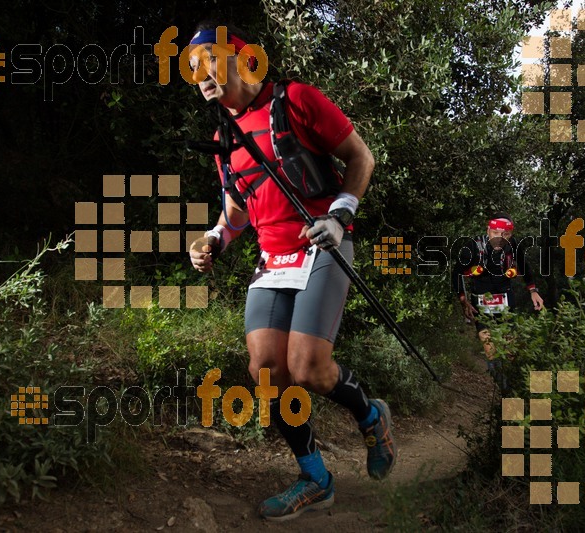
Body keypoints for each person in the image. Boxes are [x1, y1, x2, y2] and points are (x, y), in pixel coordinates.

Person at [187, 22, 396, 521]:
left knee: (308, 369)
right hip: (272, 259)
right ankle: (315, 478)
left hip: (322, 244)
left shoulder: (298, 99)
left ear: (243, 59)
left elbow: (360, 157)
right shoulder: (224, 135)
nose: (201, 74)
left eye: (210, 60)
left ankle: (371, 416)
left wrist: (341, 213)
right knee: (267, 372)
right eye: (193, 67)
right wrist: (213, 239)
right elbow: (235, 210)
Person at [452, 212, 545, 390]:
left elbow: (524, 266)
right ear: (488, 230)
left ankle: (515, 388)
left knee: (509, 350)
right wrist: (463, 301)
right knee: (491, 350)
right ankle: (504, 391)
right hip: (481, 301)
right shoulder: (474, 246)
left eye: (506, 235)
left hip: (505, 298)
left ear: (510, 235)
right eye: (495, 233)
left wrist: (533, 290)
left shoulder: (513, 245)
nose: (500, 239)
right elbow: (457, 273)